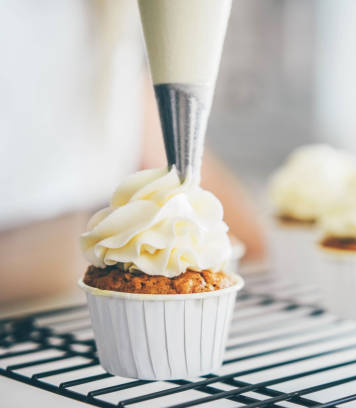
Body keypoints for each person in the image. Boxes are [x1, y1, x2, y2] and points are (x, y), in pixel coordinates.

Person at [0, 1, 265, 304]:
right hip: (63, 293)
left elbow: (138, 113)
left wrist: (253, 247)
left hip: (70, 303)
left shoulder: (100, 17)